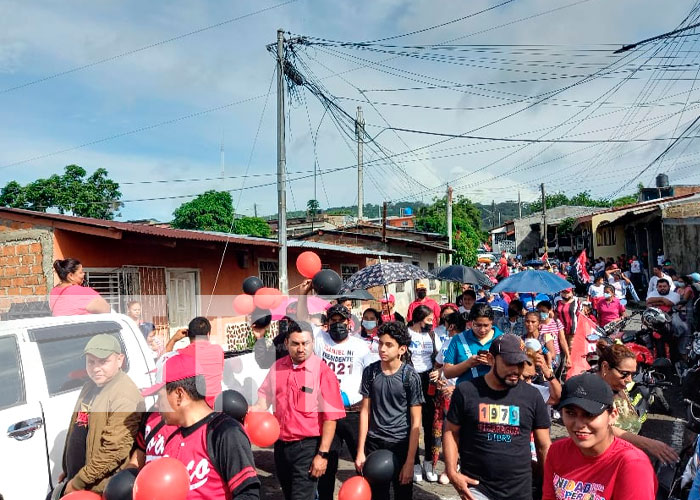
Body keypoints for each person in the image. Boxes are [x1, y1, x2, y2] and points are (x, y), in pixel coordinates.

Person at [444, 334, 552, 500]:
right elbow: (451, 431)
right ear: (491, 359)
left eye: (520, 363)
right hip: (477, 489)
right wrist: (452, 472)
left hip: (520, 490)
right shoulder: (466, 391)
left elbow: (544, 446)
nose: (515, 370)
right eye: (509, 363)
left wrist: (548, 487)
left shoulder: (532, 396)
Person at [140, 353, 260, 499]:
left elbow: (248, 494)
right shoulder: (172, 439)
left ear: (179, 395)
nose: (158, 405)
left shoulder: (225, 432)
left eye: (160, 397)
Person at [254, 321, 345, 500]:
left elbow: (330, 418)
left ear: (312, 343)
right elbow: (262, 402)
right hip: (281, 446)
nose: (301, 348)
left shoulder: (323, 373)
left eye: (305, 343)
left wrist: (322, 455)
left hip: (308, 448)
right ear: (286, 343)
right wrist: (244, 411)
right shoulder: (277, 367)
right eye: (295, 344)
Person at [543, 373, 657, 500]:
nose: (579, 424)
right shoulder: (557, 451)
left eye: (589, 414)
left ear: (612, 415)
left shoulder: (632, 464)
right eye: (570, 413)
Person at [56, 334, 144, 496]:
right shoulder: (90, 385)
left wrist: (79, 481)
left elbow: (114, 451)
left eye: (103, 362)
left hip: (99, 487)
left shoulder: (124, 394)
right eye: (91, 362)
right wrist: (69, 469)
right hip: (80, 480)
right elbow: (80, 428)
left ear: (120, 360)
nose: (96, 368)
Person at [355, 321, 424, 500]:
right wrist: (360, 450)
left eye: (388, 345)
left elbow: (416, 422)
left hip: (400, 444)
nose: (382, 349)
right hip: (374, 442)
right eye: (380, 343)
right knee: (377, 494)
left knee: (403, 493)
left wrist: (410, 461)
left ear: (402, 349)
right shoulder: (370, 372)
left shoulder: (410, 377)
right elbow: (365, 412)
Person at [314, 304, 373, 500]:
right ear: (327, 323)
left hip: (353, 412)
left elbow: (371, 377)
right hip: (328, 413)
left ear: (349, 323)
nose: (337, 325)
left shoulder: (361, 346)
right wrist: (305, 294)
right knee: (327, 464)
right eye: (333, 321)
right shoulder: (320, 340)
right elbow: (303, 320)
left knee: (362, 462)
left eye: (341, 321)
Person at [593, 341, 679, 464]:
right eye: (624, 374)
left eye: (632, 374)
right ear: (605, 367)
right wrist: (648, 444)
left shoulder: (615, 384)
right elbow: (602, 428)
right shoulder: (592, 390)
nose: (629, 380)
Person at [407, 305, 442, 482]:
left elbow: (440, 358)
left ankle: (429, 462)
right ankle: (413, 463)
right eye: (429, 320)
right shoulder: (406, 334)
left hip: (429, 380)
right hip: (410, 379)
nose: (432, 323)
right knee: (412, 423)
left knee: (429, 424)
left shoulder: (432, 335)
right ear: (419, 319)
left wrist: (438, 372)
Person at [432, 311, 466, 485]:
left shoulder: (467, 344)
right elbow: (439, 365)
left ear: (451, 326)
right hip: (443, 394)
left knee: (462, 431)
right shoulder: (446, 342)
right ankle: (448, 466)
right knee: (446, 430)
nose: (444, 327)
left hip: (461, 393)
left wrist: (456, 388)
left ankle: (458, 464)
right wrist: (438, 377)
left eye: (446, 324)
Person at [165, 317, 224, 409]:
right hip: (217, 404)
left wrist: (173, 339)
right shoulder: (218, 350)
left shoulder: (181, 354)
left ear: (188, 334)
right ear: (208, 334)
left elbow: (162, 360)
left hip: (195, 407)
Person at [443, 303, 504, 385]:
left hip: (495, 393)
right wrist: (467, 364)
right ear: (471, 322)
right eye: (478, 325)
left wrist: (493, 363)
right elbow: (447, 373)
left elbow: (513, 369)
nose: (482, 330)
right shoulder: (458, 340)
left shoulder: (503, 339)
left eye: (486, 325)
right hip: (466, 393)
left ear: (492, 322)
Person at [537, 301, 571, 371]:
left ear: (549, 311)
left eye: (543, 311)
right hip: (542, 356)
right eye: (539, 311)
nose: (541, 313)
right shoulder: (537, 325)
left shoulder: (556, 322)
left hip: (556, 356)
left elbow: (562, 340)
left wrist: (568, 356)